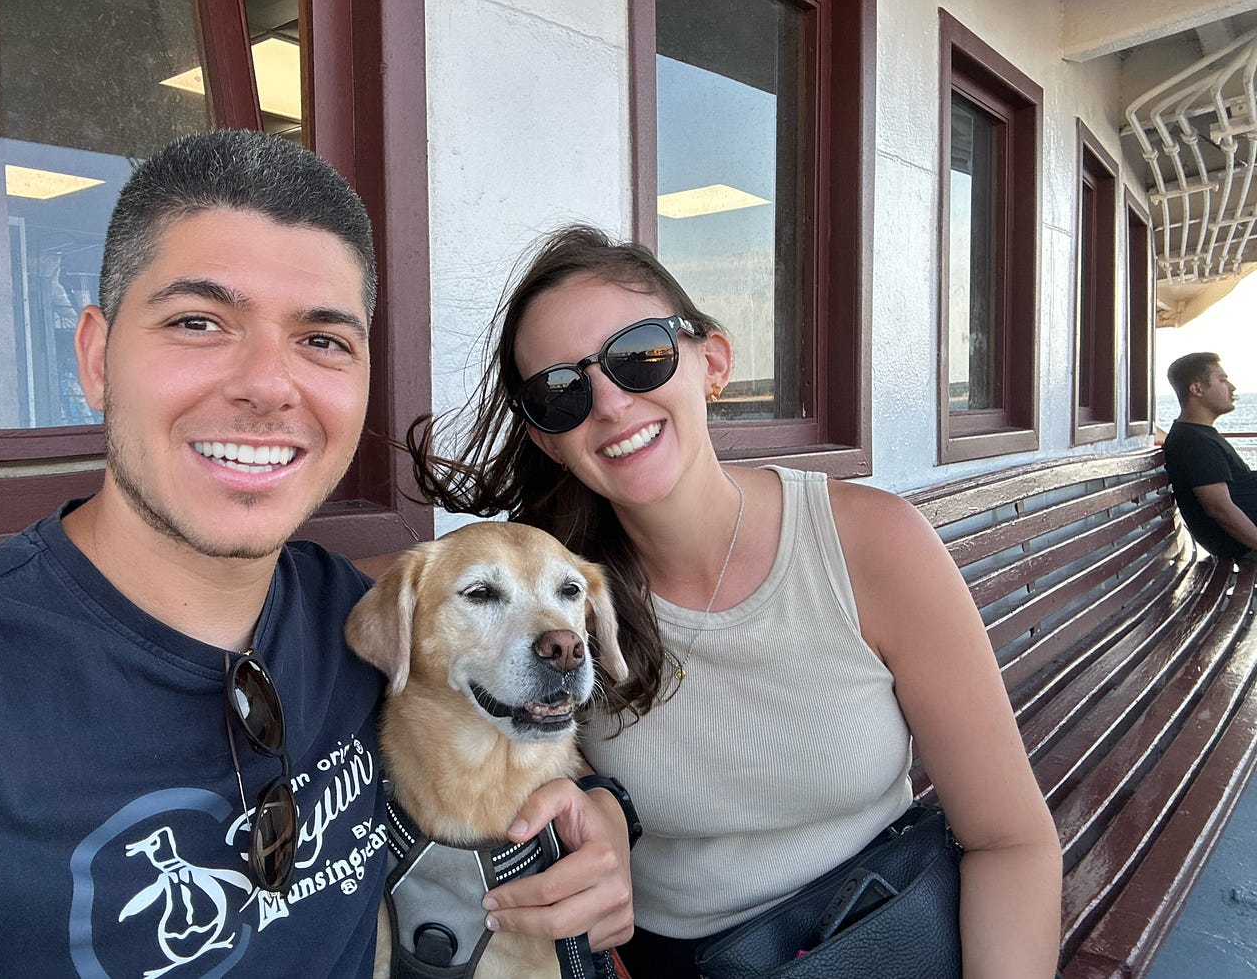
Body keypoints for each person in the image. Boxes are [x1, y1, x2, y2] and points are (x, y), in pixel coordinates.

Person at [0, 134, 630, 978]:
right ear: (95, 359)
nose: (268, 384)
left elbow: (516, 685)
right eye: (198, 322)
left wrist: (600, 809)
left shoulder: (349, 617)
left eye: (323, 341)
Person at [406, 225, 1062, 977]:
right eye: (562, 392)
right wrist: (603, 806)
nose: (613, 404)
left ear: (711, 362)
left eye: (640, 356)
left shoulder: (871, 545)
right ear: (548, 438)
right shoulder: (548, 595)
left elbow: (1011, 841)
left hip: (875, 929)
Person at [1161, 352, 1257, 561]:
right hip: (1246, 548)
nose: (1232, 387)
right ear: (1197, 389)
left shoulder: (1197, 435)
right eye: (1222, 380)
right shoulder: (1195, 442)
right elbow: (1219, 508)